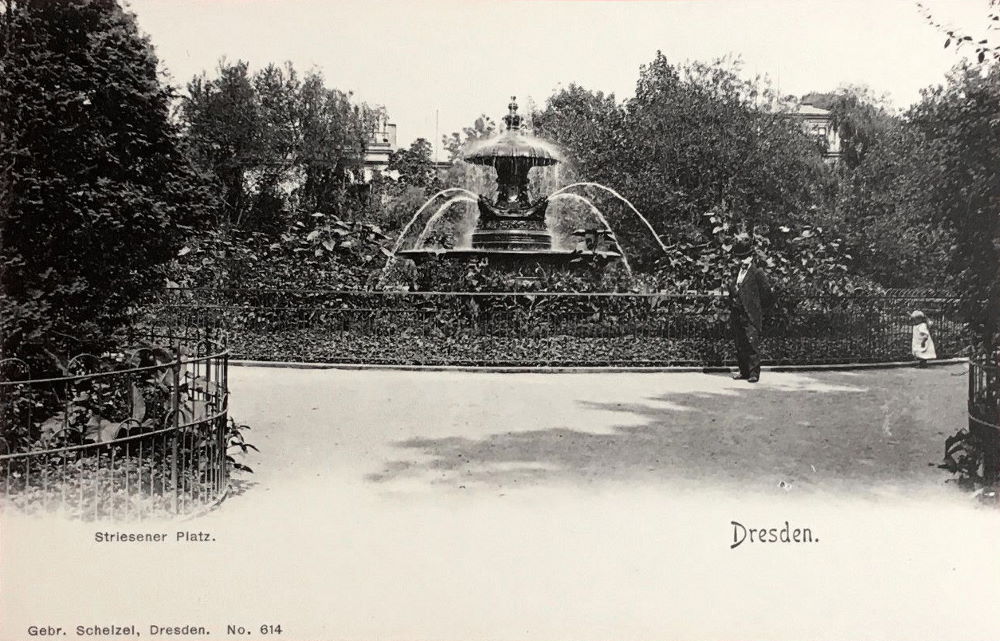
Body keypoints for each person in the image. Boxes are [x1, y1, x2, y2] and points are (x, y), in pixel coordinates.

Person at [726, 234, 774, 383]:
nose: (742, 260)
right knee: (740, 343)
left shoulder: (757, 272)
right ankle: (743, 371)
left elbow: (767, 294)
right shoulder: (738, 271)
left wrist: (757, 309)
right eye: (740, 257)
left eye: (745, 257)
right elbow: (735, 288)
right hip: (737, 312)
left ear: (751, 257)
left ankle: (754, 373)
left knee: (751, 343)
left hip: (750, 313)